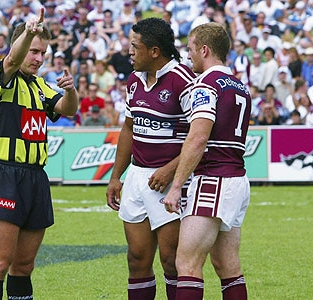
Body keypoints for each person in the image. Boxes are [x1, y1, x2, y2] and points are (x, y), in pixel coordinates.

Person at [0, 9, 79, 300]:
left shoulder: (41, 87)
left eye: (42, 53)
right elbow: (10, 60)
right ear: (20, 46)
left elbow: (68, 109)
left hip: (36, 178)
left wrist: (71, 91)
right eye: (34, 51)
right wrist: (29, 33)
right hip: (5, 175)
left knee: (24, 265)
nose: (38, 58)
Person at [106, 17, 195, 300]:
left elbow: (200, 136)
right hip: (137, 177)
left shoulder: (183, 79)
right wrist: (116, 176)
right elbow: (129, 128)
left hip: (169, 181)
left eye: (135, 46)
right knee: (137, 259)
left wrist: (171, 170)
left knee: (171, 261)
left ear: (154, 51)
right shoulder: (134, 80)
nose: (129, 51)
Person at [163, 22, 251, 299]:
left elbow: (198, 138)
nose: (188, 56)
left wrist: (176, 186)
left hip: (213, 178)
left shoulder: (205, 84)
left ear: (204, 49)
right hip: (237, 180)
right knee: (227, 265)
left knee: (186, 264)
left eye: (190, 49)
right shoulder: (240, 85)